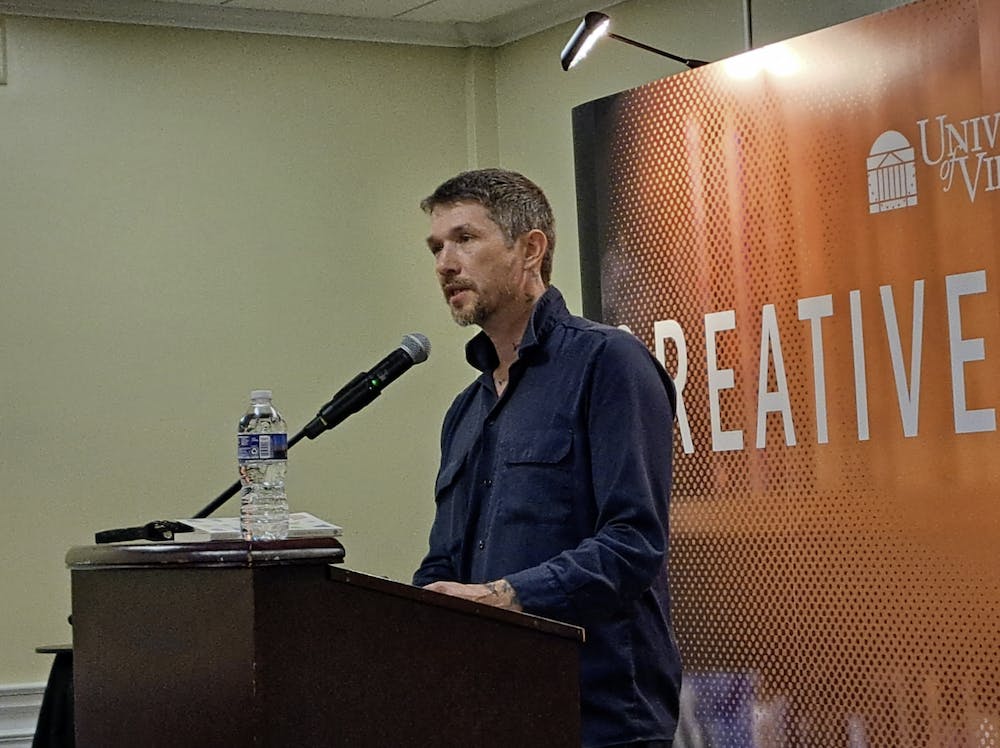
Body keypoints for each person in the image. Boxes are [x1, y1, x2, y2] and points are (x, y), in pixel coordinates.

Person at [412, 168, 682, 747]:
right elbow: (444, 562)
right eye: (436, 248)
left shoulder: (608, 363)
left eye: (465, 239)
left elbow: (633, 544)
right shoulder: (466, 410)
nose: (445, 264)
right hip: (495, 715)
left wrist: (503, 597)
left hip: (602, 718)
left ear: (530, 249)